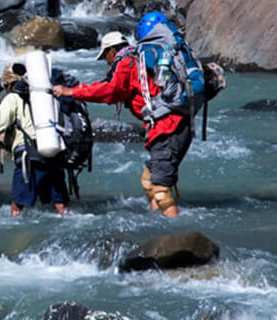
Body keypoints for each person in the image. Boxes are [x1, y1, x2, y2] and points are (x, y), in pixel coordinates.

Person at [52, 20, 191, 218]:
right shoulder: (138, 59)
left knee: (160, 190)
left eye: (106, 57)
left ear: (111, 51)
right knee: (149, 181)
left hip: (167, 127)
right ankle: (158, 227)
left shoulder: (126, 63)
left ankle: (177, 235)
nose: (107, 62)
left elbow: (110, 90)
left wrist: (71, 91)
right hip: (171, 125)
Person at [0, 65, 69, 217]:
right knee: (60, 206)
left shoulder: (13, 98)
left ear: (9, 85)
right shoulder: (48, 95)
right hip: (54, 151)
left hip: (29, 157)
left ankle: (15, 235)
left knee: (17, 206)